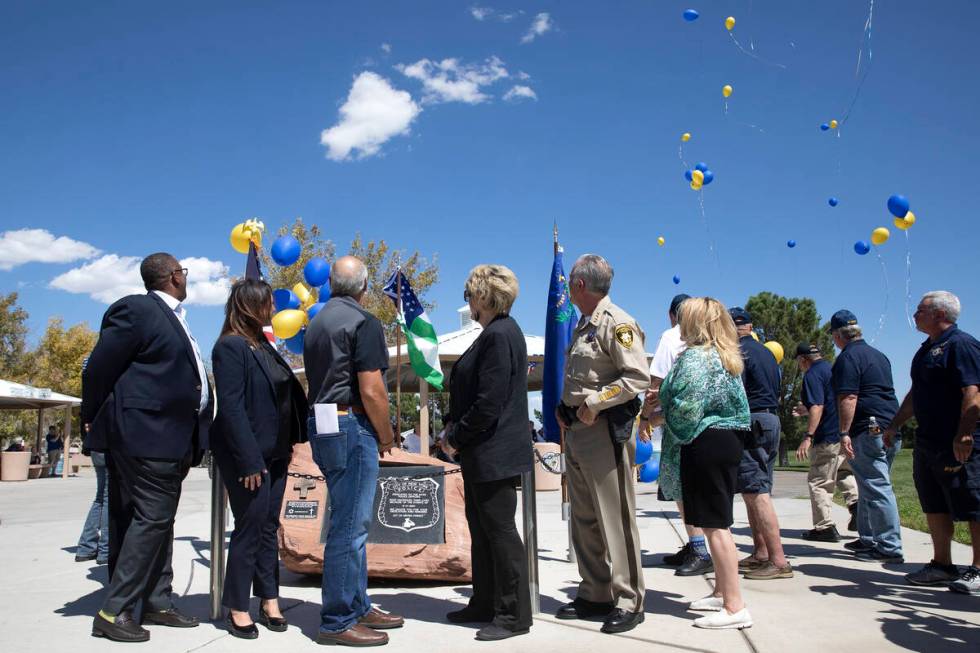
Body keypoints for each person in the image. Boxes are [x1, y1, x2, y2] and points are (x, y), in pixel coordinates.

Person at [81, 252, 213, 643]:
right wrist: (93, 418)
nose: (185, 279)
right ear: (175, 276)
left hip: (171, 438)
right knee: (151, 519)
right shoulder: (136, 309)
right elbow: (99, 368)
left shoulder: (175, 319)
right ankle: (114, 610)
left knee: (159, 521)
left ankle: (156, 601)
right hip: (143, 436)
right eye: (183, 274)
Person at [303, 256, 403, 647]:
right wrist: (386, 435)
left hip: (324, 423)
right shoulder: (364, 322)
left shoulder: (317, 323)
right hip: (351, 424)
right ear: (364, 287)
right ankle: (338, 618)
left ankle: (358, 605)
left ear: (330, 283)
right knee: (350, 526)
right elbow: (373, 390)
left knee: (349, 521)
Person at [554, 254, 650, 634]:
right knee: (585, 518)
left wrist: (594, 403)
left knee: (616, 517)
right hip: (578, 430)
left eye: (570, 285)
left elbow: (636, 377)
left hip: (603, 431)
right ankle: (595, 592)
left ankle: (629, 599)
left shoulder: (618, 323)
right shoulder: (583, 325)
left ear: (579, 286)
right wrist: (567, 407)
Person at [211, 278, 309, 638]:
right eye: (268, 302)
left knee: (269, 527)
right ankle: (237, 605)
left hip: (277, 452)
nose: (273, 308)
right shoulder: (230, 347)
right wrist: (250, 460)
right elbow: (232, 408)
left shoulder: (264, 347)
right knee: (249, 528)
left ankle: (269, 598)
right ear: (252, 305)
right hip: (249, 456)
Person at [441, 264, 533, 641]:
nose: (468, 302)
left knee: (500, 533)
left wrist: (455, 437)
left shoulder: (500, 334)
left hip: (493, 453)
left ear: (483, 296)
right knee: (482, 531)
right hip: (484, 455)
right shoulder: (495, 333)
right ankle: (484, 601)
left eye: (469, 296)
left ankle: (513, 615)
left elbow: (489, 402)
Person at [656, 297, 753, 629]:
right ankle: (722, 590)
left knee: (715, 525)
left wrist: (659, 411)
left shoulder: (697, 358)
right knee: (716, 520)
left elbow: (685, 407)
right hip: (725, 440)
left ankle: (735, 605)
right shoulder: (725, 355)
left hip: (705, 439)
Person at [884, 291, 980, 593]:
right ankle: (942, 564)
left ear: (940, 314)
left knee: (972, 502)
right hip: (929, 441)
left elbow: (973, 392)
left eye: (921, 310)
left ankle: (978, 568)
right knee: (934, 502)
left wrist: (964, 433)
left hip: (958, 441)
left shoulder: (961, 345)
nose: (915, 315)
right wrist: (895, 424)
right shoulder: (927, 349)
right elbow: (916, 394)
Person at [641, 293, 712, 576]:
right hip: (706, 423)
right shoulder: (709, 340)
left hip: (677, 422)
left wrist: (647, 416)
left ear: (673, 315)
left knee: (682, 486)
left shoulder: (671, 336)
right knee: (696, 486)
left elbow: (656, 379)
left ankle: (698, 547)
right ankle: (696, 542)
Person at [829, 309, 904, 563]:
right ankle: (869, 537)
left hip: (868, 428)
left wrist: (844, 432)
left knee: (877, 486)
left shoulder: (847, 358)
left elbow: (849, 397)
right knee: (870, 485)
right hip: (890, 426)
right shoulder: (878, 355)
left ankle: (889, 546)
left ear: (839, 335)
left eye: (833, 337)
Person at [728, 308, 792, 580]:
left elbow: (736, 392)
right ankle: (761, 552)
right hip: (770, 418)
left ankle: (778, 560)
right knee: (755, 489)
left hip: (752, 420)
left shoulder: (739, 353)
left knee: (756, 492)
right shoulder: (766, 351)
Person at [793, 342, 858, 541]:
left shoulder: (812, 375)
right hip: (843, 433)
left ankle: (824, 528)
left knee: (819, 481)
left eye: (798, 362)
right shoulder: (832, 369)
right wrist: (808, 410)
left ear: (803, 359)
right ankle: (857, 505)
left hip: (826, 437)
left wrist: (808, 436)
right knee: (844, 472)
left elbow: (818, 406)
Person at [75, 450, 109, 564]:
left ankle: (86, 547)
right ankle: (105, 550)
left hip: (97, 450)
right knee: (109, 498)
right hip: (110, 451)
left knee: (101, 498)